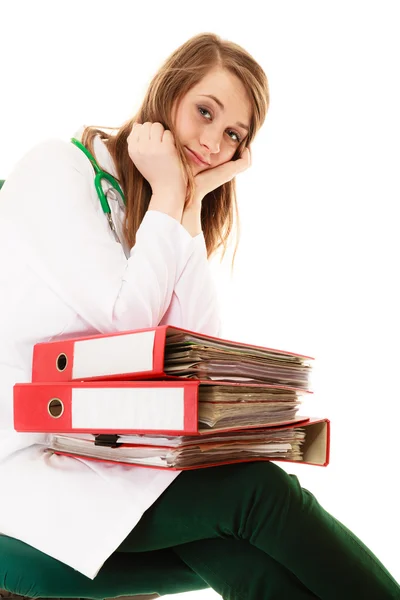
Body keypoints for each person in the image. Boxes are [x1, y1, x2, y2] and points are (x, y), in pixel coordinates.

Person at [0, 32, 398, 600]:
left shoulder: (156, 212)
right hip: (26, 472)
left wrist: (190, 200)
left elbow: (198, 354)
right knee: (257, 494)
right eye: (204, 112)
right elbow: (123, 318)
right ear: (169, 93)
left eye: (233, 134)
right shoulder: (57, 167)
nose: (213, 142)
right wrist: (168, 186)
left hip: (108, 456)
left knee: (239, 549)